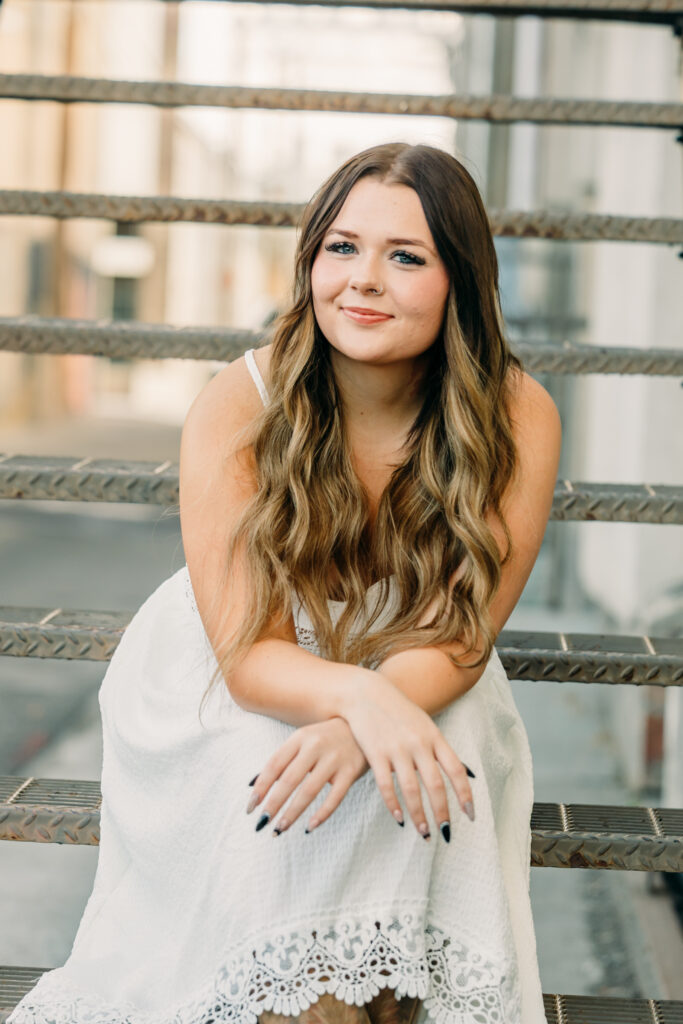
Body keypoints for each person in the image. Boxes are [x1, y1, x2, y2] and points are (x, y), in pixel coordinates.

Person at [8, 141, 561, 1024]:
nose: (363, 280)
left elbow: (462, 631)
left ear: (460, 279)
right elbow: (244, 657)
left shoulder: (515, 411)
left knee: (429, 760)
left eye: (405, 256)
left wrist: (370, 717)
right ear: (308, 263)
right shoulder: (241, 399)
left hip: (421, 656)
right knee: (264, 769)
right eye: (340, 248)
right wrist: (361, 705)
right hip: (251, 656)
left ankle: (357, 999)